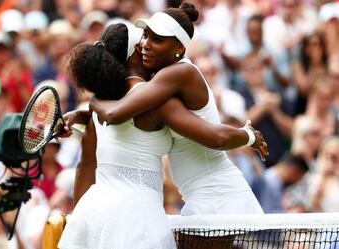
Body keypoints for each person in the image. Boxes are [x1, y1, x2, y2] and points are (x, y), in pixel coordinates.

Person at [59, 20, 266, 249]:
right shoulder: (158, 102)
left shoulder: (100, 103)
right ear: (138, 50)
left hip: (92, 213)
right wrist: (249, 136)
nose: (148, 45)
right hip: (137, 220)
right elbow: (215, 137)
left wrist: (78, 218)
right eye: (145, 40)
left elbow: (85, 166)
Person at [90, 3, 265, 217]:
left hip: (216, 195)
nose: (145, 45)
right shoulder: (162, 78)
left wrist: (93, 102)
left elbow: (114, 114)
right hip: (201, 195)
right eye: (145, 36)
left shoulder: (179, 73)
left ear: (179, 49)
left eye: (157, 39)